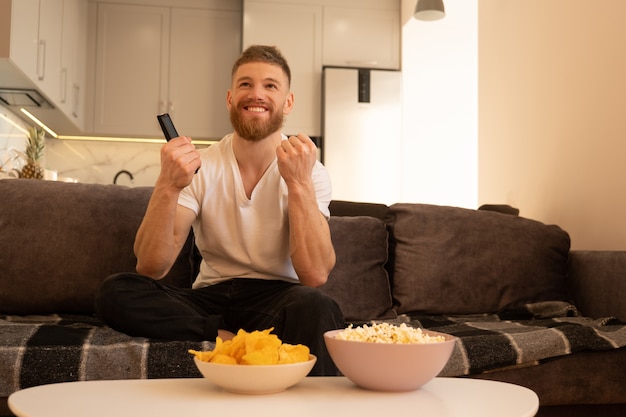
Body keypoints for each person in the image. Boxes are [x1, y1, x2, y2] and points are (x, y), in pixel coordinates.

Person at [95, 45, 345, 375]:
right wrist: (167, 186)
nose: (256, 94)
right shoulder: (205, 164)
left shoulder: (309, 170)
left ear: (288, 102)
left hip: (279, 299)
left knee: (318, 306)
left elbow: (314, 274)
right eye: (245, 84)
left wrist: (298, 184)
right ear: (230, 98)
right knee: (116, 291)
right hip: (211, 299)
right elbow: (152, 267)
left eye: (270, 85)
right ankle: (232, 341)